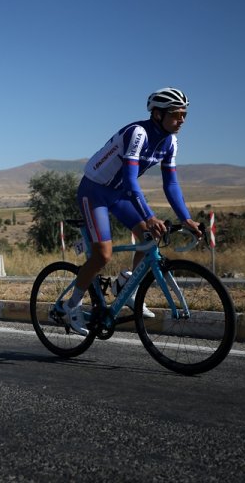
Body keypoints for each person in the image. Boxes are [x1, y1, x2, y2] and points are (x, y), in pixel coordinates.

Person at [63, 87, 202, 336]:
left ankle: (127, 285)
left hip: (119, 194)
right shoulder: (138, 133)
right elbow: (130, 180)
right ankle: (70, 305)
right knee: (102, 255)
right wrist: (149, 216)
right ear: (157, 114)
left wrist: (186, 218)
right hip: (95, 191)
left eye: (184, 115)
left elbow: (170, 183)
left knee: (149, 238)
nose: (181, 120)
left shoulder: (171, 141)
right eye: (176, 114)